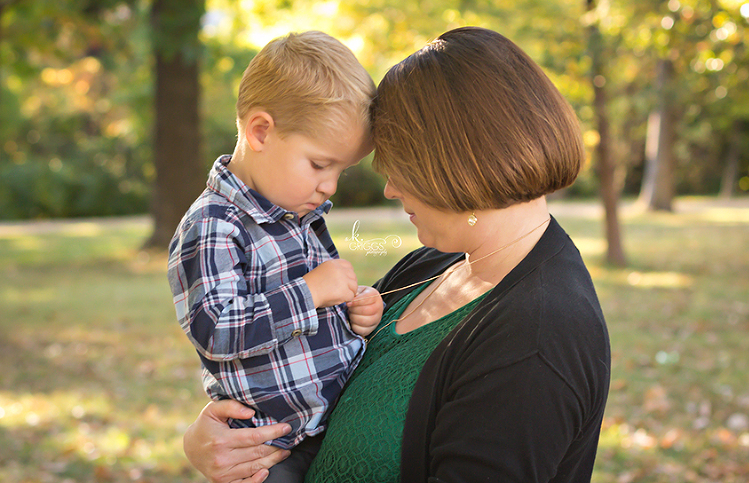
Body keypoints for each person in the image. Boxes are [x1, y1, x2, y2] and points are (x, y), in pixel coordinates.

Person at [181, 26, 611, 483]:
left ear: (452, 161)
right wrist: (222, 444)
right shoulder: (434, 266)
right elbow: (318, 394)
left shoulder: (540, 336)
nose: (389, 188)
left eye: (399, 166)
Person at [167, 31, 384, 482]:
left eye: (341, 170)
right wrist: (310, 292)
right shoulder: (213, 226)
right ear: (261, 131)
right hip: (270, 449)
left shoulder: (300, 214)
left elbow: (321, 306)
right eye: (320, 165)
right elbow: (217, 331)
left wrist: (354, 309)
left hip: (333, 424)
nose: (330, 187)